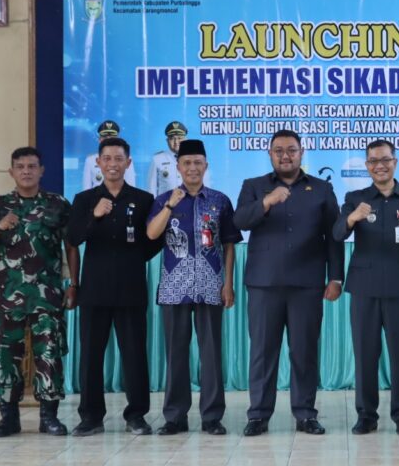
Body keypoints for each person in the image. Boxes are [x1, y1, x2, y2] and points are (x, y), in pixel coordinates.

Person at [233, 130, 344, 436]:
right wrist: (267, 202)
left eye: (291, 150)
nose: (285, 156)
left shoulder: (321, 188)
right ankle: (258, 415)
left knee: (304, 352)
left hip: (307, 284)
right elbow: (240, 221)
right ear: (270, 154)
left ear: (301, 152)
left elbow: (334, 236)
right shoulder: (254, 186)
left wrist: (335, 277)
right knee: (262, 353)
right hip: (264, 284)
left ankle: (305, 414)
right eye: (279, 150)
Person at [0, 147, 79, 437]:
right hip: (9, 298)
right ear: (11, 172)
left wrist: (74, 284)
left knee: (50, 354)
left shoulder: (58, 204)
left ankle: (49, 417)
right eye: (20, 166)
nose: (26, 171)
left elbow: (71, 246)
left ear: (41, 170)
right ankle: (8, 418)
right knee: (6, 356)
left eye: (32, 166)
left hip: (48, 296)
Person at [333, 139, 399, 436]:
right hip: (365, 288)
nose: (380, 165)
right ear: (367, 166)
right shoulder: (355, 198)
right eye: (374, 161)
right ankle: (366, 415)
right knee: (365, 355)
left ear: (395, 162)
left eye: (385, 159)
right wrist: (352, 217)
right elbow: (336, 234)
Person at [147, 139, 242, 436]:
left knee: (211, 354)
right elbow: (152, 234)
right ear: (178, 167)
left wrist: (228, 284)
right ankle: (175, 417)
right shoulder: (164, 199)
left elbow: (229, 245)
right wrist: (170, 206)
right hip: (174, 288)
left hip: (211, 285)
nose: (192, 168)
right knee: (176, 354)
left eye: (197, 163)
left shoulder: (219, 200)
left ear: (205, 166)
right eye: (186, 163)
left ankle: (212, 417)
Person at [67, 137, 161, 436]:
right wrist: (94, 216)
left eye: (118, 159)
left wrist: (134, 258)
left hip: (131, 287)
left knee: (134, 355)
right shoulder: (84, 199)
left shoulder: (144, 199)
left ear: (128, 163)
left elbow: (153, 241)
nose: (112, 164)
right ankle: (91, 416)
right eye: (106, 158)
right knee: (90, 356)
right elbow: (74, 238)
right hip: (94, 289)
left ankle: (137, 415)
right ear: (98, 162)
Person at [81, 120, 136, 190]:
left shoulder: (126, 159)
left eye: (112, 138)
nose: (108, 141)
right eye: (105, 138)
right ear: (100, 140)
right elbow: (86, 189)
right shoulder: (90, 160)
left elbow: (131, 186)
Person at [147, 121, 187, 197]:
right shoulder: (157, 159)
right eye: (172, 138)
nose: (176, 142)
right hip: (165, 204)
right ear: (167, 141)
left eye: (179, 138)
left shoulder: (193, 159)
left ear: (185, 139)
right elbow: (151, 188)